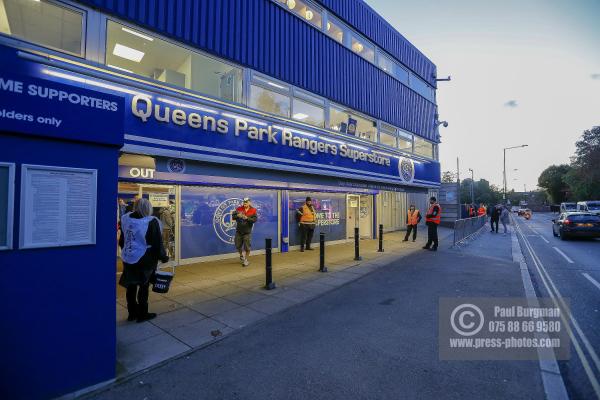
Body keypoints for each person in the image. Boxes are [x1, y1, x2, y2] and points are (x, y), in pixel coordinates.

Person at [119, 198, 168, 323]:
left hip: (128, 257)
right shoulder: (151, 221)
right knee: (143, 286)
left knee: (130, 287)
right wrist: (163, 257)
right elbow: (157, 243)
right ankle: (143, 314)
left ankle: (132, 313)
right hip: (145, 259)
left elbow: (123, 238)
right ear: (148, 208)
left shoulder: (126, 218)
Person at [232, 197, 258, 267]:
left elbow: (255, 220)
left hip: (247, 232)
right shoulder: (239, 209)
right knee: (237, 245)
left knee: (247, 247)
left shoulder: (253, 210)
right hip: (239, 231)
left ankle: (246, 260)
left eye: (246, 202)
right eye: (244, 202)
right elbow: (233, 216)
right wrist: (237, 215)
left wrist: (247, 218)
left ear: (249, 202)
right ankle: (241, 255)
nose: (245, 203)